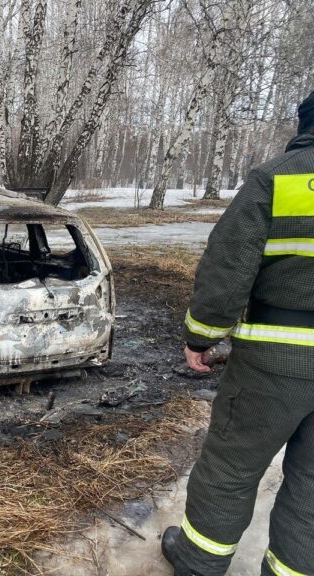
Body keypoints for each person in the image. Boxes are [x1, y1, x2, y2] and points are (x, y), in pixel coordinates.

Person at [161, 91, 314, 576]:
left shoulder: (278, 177)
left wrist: (201, 337)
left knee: (231, 465)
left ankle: (197, 560)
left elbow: (228, 268)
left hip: (277, 360)